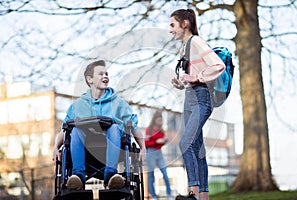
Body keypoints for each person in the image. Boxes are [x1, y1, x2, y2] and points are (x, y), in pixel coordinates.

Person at [52, 60, 146, 189]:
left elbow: (133, 126)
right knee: (75, 130)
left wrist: (143, 148)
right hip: (85, 152)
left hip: (113, 149)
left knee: (113, 127)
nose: (105, 76)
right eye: (101, 74)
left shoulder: (118, 103)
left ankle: (111, 176)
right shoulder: (78, 105)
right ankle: (78, 177)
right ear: (90, 79)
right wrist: (55, 147)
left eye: (107, 74)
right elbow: (64, 129)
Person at [169, 9, 225, 200]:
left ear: (185, 23)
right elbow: (192, 76)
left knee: (185, 143)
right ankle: (203, 196)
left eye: (172, 25)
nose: (170, 30)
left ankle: (192, 193)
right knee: (198, 150)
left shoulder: (197, 42)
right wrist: (181, 82)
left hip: (201, 98)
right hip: (189, 98)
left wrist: (197, 77)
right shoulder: (185, 46)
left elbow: (218, 65)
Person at [145, 110, 172, 200]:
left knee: (165, 174)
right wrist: (156, 141)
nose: (160, 121)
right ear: (155, 120)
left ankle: (169, 194)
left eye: (161, 120)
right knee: (151, 176)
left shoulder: (162, 131)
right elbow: (146, 143)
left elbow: (161, 143)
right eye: (159, 120)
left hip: (159, 153)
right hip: (150, 153)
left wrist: (164, 141)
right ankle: (154, 196)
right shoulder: (149, 130)